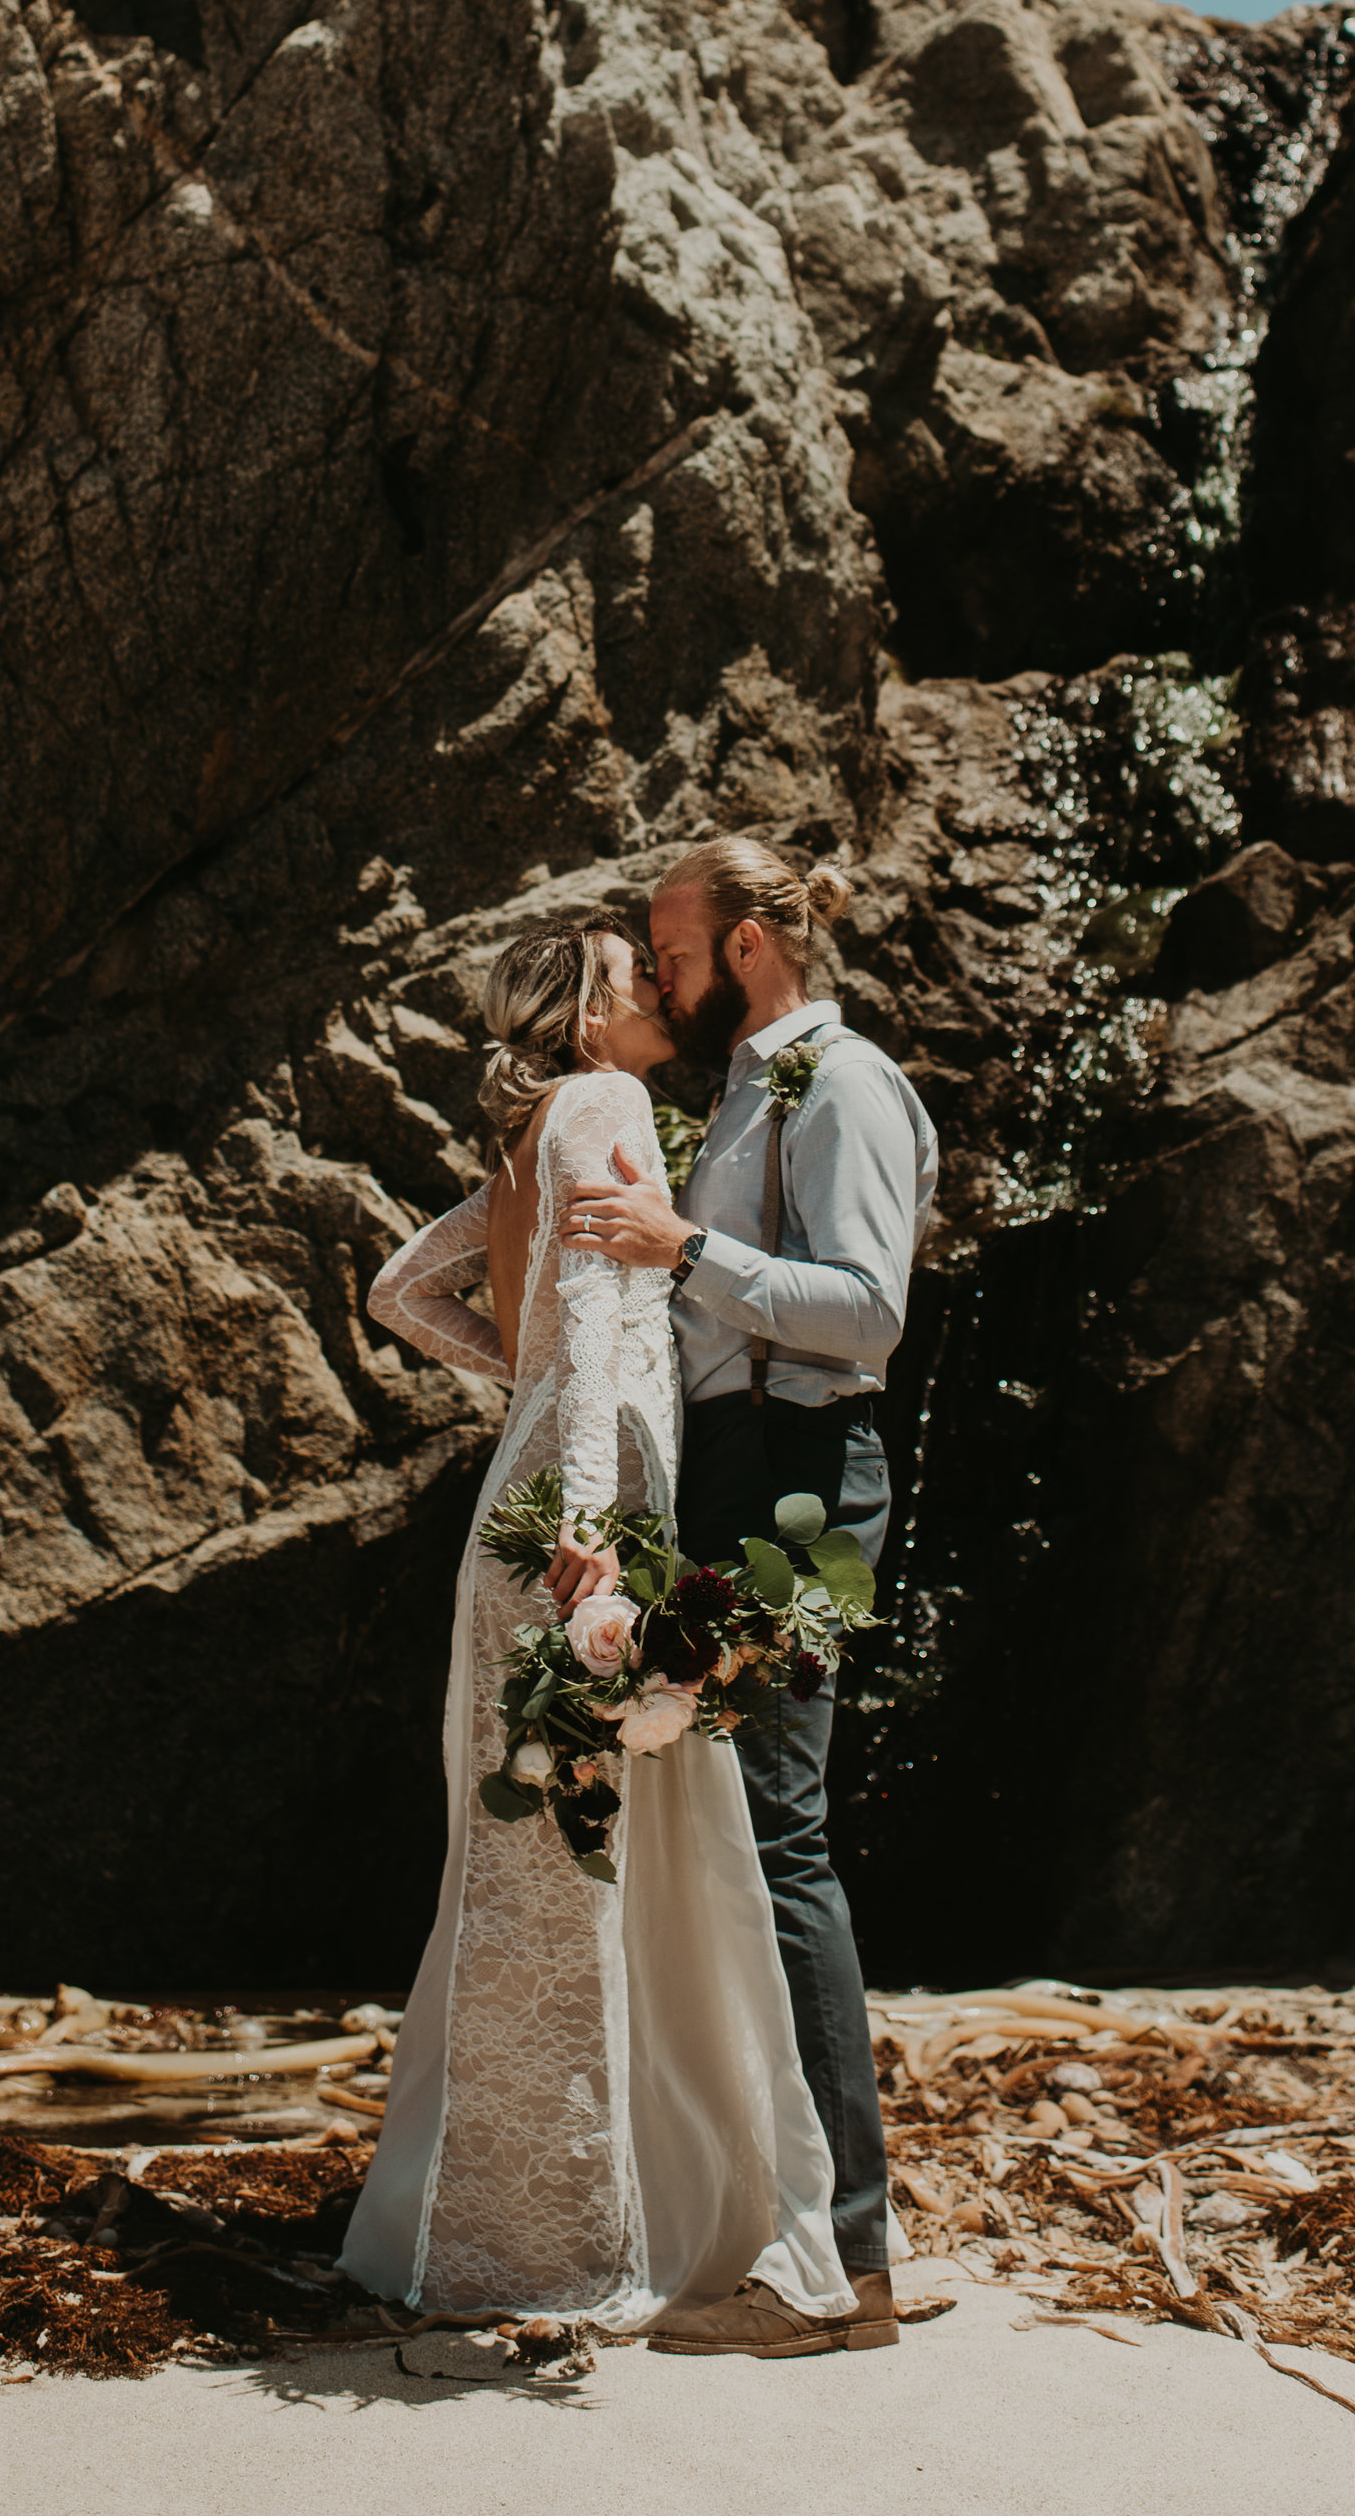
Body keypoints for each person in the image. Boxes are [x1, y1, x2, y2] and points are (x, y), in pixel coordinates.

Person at [340, 917, 856, 2342]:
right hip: (585, 1518)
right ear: (586, 1012)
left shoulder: (527, 1139)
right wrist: (588, 1521)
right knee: (578, 1869)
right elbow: (584, 1292)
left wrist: (524, 1385)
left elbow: (401, 1289)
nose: (653, 981)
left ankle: (480, 2217)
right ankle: (572, 2232)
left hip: (528, 1501)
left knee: (521, 1872)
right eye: (631, 967)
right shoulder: (608, 1099)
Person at [562, 839, 937, 2356]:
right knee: (742, 1833)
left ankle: (843, 2264)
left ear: (760, 942)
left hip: (802, 1473)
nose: (657, 978)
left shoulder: (836, 1080)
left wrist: (685, 1246)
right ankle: (809, 2229)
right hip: (739, 1474)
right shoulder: (735, 1093)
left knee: (780, 1836)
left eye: (675, 951)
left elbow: (868, 1308)